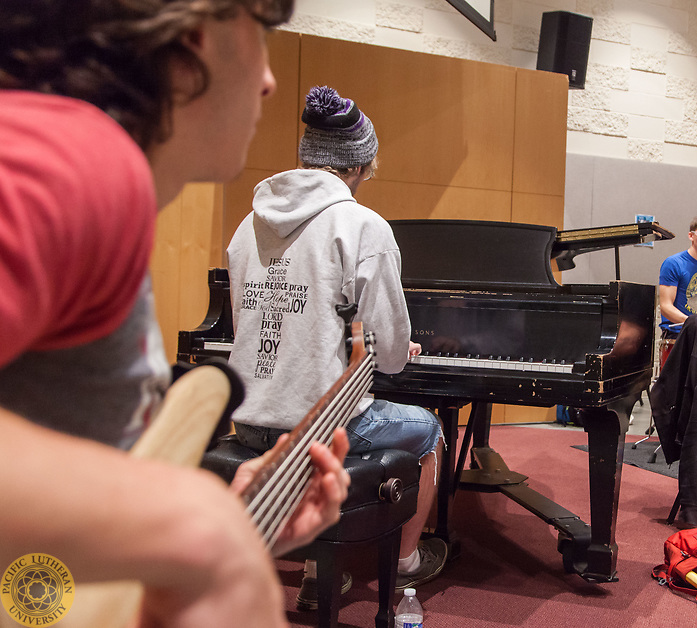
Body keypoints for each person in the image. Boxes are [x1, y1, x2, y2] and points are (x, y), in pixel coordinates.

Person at [0, 2, 352, 627]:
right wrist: (194, 525)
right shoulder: (74, 156)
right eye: (262, 33)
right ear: (196, 32)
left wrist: (236, 521)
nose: (270, 80)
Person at [226, 85, 447, 600]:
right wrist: (392, 348)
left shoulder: (248, 223)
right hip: (317, 429)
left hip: (249, 420)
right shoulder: (362, 225)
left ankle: (314, 565)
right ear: (360, 165)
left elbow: (249, 324)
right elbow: (390, 358)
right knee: (428, 430)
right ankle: (408, 558)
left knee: (318, 415)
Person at [658, 214, 697, 335]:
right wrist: (693, 323)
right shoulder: (673, 263)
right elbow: (665, 307)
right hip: (677, 334)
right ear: (691, 235)